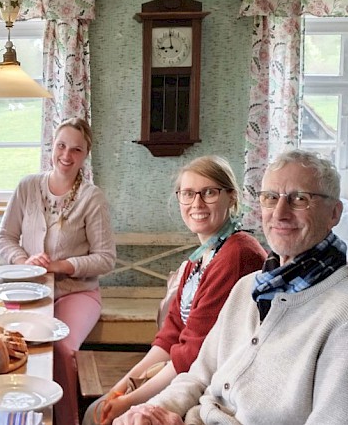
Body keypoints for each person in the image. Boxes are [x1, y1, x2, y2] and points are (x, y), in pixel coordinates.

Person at [115, 149, 348, 425]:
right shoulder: (248, 287)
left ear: (334, 213)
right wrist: (150, 410)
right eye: (270, 198)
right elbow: (198, 375)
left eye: (300, 199)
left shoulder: (342, 311)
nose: (279, 213)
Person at [83, 156, 266, 425]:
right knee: (96, 409)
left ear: (231, 197)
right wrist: (120, 389)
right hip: (188, 373)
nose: (197, 203)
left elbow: (194, 353)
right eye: (188, 193)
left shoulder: (237, 255)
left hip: (220, 387)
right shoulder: (200, 257)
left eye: (209, 192)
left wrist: (129, 401)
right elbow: (170, 336)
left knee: (100, 417)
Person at [0, 117, 117, 425]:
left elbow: (106, 259)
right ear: (51, 146)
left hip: (77, 292)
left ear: (86, 154)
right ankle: (20, 414)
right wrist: (24, 261)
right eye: (61, 146)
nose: (66, 155)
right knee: (10, 341)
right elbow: (5, 238)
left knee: (61, 347)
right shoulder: (27, 186)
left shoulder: (92, 198)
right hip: (30, 290)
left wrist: (61, 266)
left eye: (76, 149)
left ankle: (67, 420)